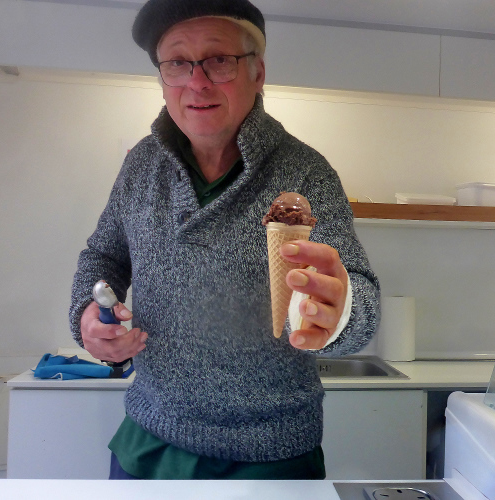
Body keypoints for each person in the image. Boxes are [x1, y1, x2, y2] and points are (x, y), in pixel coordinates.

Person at [69, 0, 380, 480]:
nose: (197, 82)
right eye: (177, 63)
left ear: (258, 73)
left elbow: (358, 297)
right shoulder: (141, 165)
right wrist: (88, 316)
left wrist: (340, 312)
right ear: (162, 77)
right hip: (149, 441)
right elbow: (103, 255)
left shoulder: (307, 173)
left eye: (219, 60)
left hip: (271, 455)